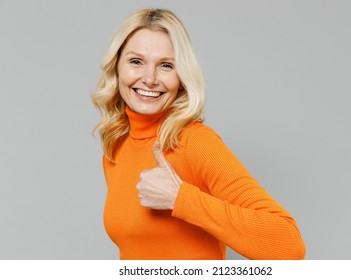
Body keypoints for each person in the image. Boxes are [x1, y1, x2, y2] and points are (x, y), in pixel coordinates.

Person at [91, 8, 306, 260]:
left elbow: (289, 246)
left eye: (166, 66)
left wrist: (181, 198)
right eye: (136, 61)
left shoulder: (194, 142)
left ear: (181, 77)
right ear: (116, 67)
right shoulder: (116, 148)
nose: (149, 79)